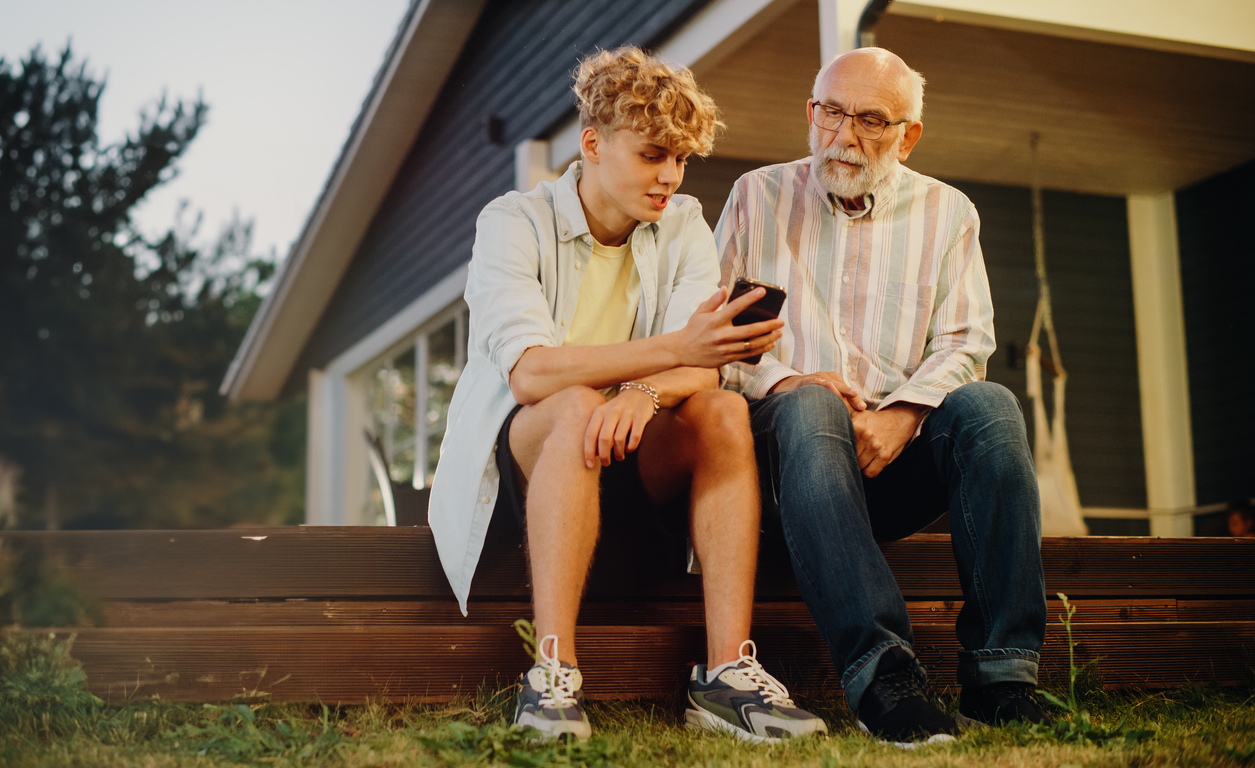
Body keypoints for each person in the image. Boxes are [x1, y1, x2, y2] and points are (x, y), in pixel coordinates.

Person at [428, 47, 828, 742]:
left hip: (638, 447)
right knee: (575, 403)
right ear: (592, 145)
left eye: (680, 159)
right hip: (535, 452)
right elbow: (530, 374)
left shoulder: (681, 223)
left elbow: (702, 370)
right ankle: (551, 674)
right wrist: (672, 354)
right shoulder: (512, 221)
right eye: (651, 155)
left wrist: (644, 392)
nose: (668, 176)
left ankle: (726, 676)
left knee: (725, 408)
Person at [714, 47, 1049, 746]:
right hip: (789, 470)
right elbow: (713, 344)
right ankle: (882, 672)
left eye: (869, 120)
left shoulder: (947, 212)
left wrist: (902, 414)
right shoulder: (755, 196)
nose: (843, 136)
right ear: (810, 112)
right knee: (813, 405)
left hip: (887, 467)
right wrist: (790, 380)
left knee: (990, 407)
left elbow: (966, 342)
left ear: (908, 133)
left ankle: (1002, 678)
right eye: (830, 112)